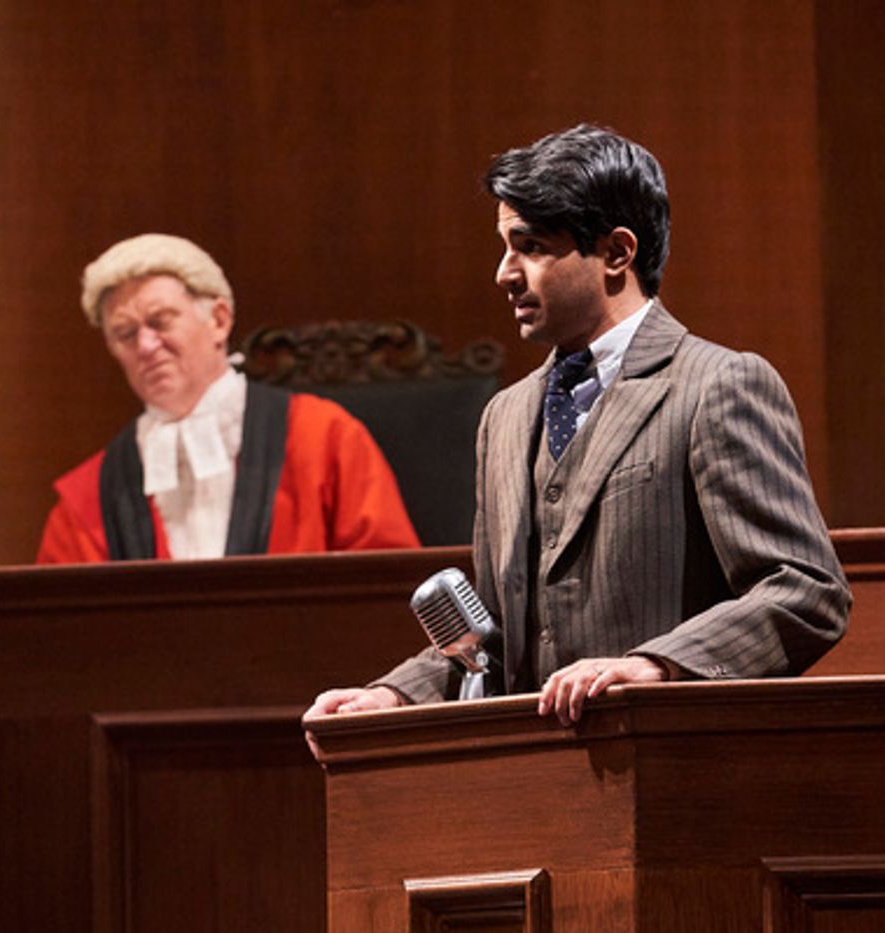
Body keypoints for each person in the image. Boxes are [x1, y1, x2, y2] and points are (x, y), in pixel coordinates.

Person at [306, 125, 851, 728]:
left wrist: (656, 667)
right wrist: (396, 694)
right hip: (533, 784)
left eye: (531, 246)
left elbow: (804, 591)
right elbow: (496, 632)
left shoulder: (716, 386)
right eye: (504, 246)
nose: (504, 273)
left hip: (670, 766)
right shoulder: (506, 417)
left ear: (617, 253)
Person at [37, 233, 420, 562]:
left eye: (160, 321)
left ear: (218, 320)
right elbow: (59, 634)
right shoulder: (84, 502)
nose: (146, 345)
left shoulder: (325, 439)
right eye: (125, 333)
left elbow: (387, 594)